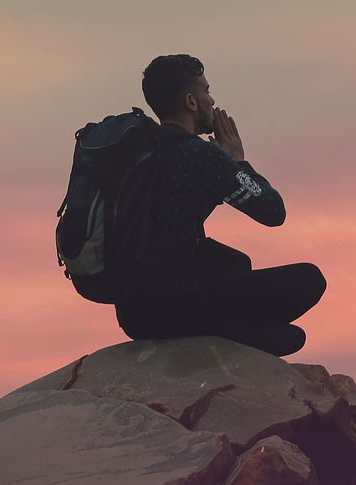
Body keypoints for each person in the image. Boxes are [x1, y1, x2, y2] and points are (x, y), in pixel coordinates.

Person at [115, 54, 325, 357]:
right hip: (181, 306)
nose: (212, 101)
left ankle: (226, 328)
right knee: (309, 279)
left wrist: (220, 178)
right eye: (206, 91)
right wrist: (238, 162)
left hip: (135, 314)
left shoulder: (142, 154)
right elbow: (273, 212)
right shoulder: (200, 155)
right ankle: (220, 330)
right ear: (190, 101)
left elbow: (171, 213)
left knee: (233, 262)